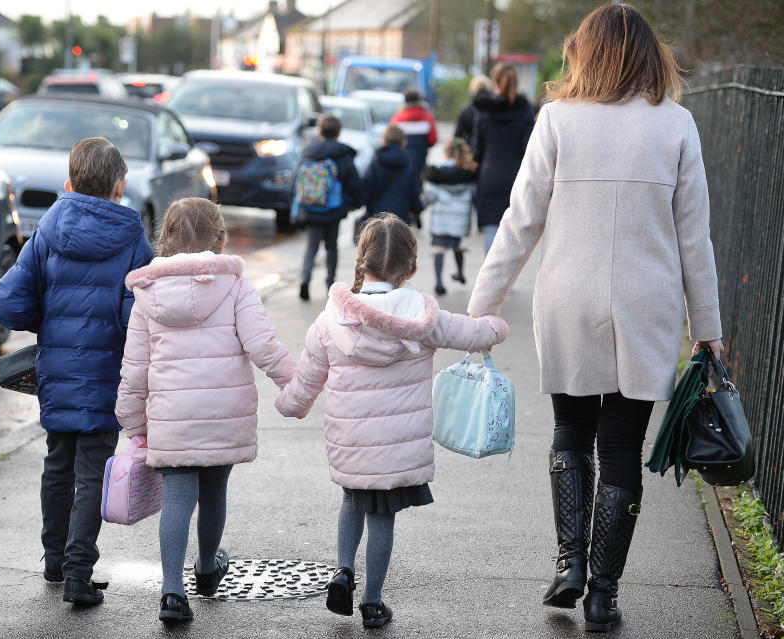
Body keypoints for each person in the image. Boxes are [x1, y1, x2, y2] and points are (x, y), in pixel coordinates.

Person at [466, 4, 724, 633]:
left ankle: (569, 563)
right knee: (620, 454)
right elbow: (696, 239)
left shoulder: (557, 120)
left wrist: (483, 303)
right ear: (648, 55)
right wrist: (708, 327)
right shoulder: (678, 126)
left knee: (570, 435)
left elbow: (520, 219)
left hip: (568, 300)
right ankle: (604, 592)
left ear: (586, 52)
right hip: (649, 305)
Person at [276, 214, 509, 629]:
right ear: (412, 268)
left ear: (360, 262)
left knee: (352, 501)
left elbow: (307, 378)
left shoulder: (332, 318)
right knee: (382, 516)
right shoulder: (423, 318)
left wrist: (290, 404)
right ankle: (372, 601)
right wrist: (495, 325)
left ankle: (344, 570)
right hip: (397, 446)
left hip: (351, 441)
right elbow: (474, 334)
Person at [114, 198, 295, 626]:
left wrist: (133, 421)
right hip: (223, 411)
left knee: (178, 498)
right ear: (220, 238)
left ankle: (172, 592)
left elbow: (135, 368)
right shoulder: (234, 285)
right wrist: (297, 382)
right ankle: (209, 569)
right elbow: (262, 345)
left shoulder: (147, 295)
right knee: (214, 492)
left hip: (171, 417)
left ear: (165, 240)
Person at [0, 137, 154, 605]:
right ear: (120, 187)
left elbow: (10, 301)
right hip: (106, 374)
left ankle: (54, 562)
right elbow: (135, 316)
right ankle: (80, 575)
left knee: (57, 465)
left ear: (70, 182)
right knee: (93, 471)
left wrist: (46, 319)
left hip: (57, 372)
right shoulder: (132, 240)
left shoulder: (48, 228)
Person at [296, 115, 363, 301]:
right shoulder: (344, 155)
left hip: (310, 208)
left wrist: (295, 204)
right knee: (332, 247)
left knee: (311, 246)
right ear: (339, 133)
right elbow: (354, 183)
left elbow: (296, 179)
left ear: (319, 131)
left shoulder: (308, 151)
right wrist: (355, 203)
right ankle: (330, 284)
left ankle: (305, 280)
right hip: (334, 211)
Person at [471, 64, 535, 256]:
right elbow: (529, 148)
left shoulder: (484, 111)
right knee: (511, 230)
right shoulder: (525, 111)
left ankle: (490, 281)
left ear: (495, 82)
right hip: (515, 176)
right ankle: (505, 281)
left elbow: (477, 149)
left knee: (491, 227)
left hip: (489, 175)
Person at [422, 138, 479, 295]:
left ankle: (439, 283)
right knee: (456, 246)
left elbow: (430, 196)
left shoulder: (437, 174)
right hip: (458, 222)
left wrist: (420, 206)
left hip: (441, 221)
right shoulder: (468, 176)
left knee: (440, 249)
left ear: (446, 154)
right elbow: (474, 196)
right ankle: (460, 273)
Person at [361, 126, 423, 227]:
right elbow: (414, 194)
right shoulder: (409, 166)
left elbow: (366, 190)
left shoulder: (375, 163)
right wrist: (416, 210)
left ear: (383, 141)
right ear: (403, 143)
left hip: (375, 218)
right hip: (400, 220)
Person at [389, 89, 438, 177]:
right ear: (419, 100)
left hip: (401, 162)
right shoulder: (428, 117)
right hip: (420, 161)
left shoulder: (397, 118)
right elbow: (432, 140)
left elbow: (391, 140)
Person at [453, 74, 494, 154]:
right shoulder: (495, 109)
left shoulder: (465, 110)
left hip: (470, 154)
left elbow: (457, 137)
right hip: (489, 153)